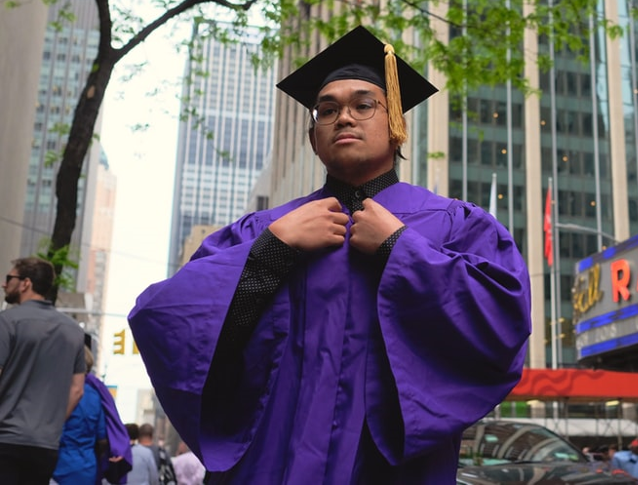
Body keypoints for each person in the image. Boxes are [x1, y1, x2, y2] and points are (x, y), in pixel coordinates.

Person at [129, 25, 532, 483]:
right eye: (327, 110)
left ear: (395, 124)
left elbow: (504, 321)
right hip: (269, 466)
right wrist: (269, 254)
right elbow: (167, 321)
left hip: (388, 469)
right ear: (313, 138)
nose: (343, 117)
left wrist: (400, 250)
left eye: (363, 105)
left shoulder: (454, 226)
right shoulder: (262, 231)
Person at [0, 257, 86, 484]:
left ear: (25, 283)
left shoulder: (7, 322)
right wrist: (52, 423)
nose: (3, 284)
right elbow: (77, 390)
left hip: (6, 438)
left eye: (9, 278)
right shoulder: (74, 332)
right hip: (45, 444)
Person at [51, 346, 106, 485]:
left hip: (58, 464)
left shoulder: (60, 390)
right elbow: (102, 437)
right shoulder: (96, 396)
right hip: (86, 468)